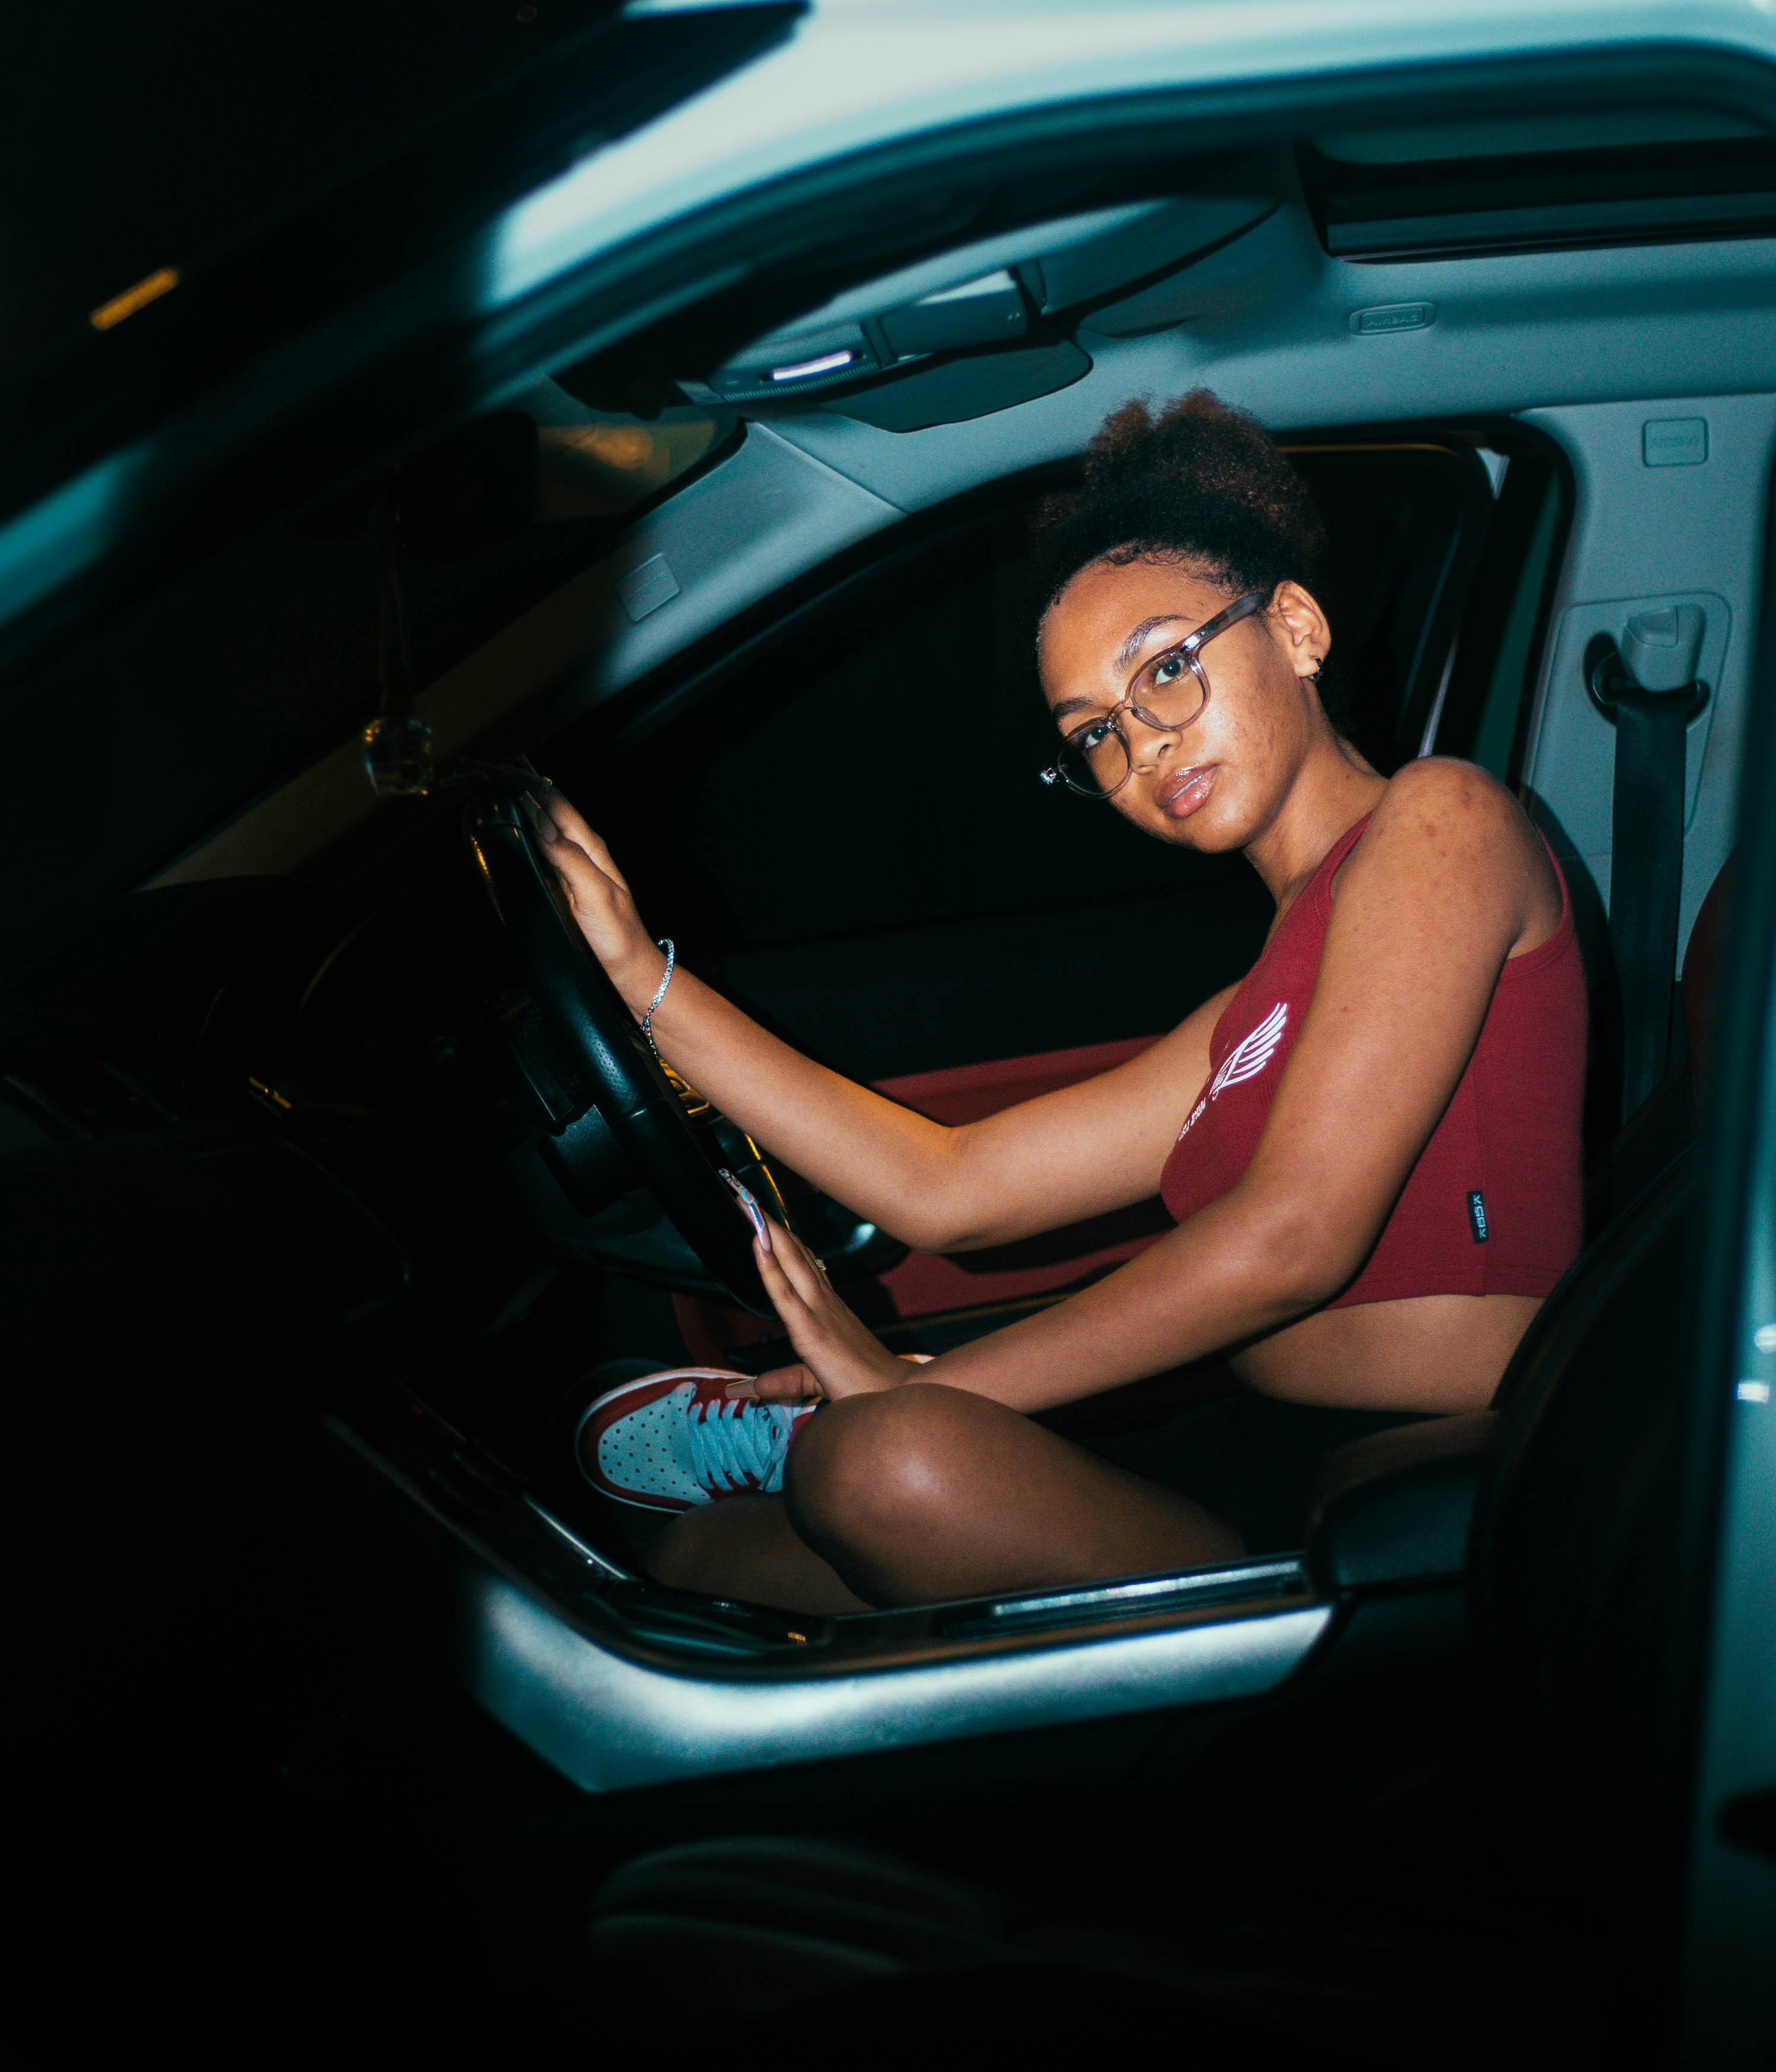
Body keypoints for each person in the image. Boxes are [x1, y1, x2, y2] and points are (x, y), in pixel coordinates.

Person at [537, 391, 1586, 1615]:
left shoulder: (1443, 816)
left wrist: (934, 1389)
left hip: (1439, 1472)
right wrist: (639, 982)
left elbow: (1296, 1235)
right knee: (700, 1569)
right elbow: (954, 1187)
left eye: (1168, 667)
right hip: (1261, 1447)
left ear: (1297, 627)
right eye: (1093, 731)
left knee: (887, 1456)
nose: (1140, 742)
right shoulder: (1249, 1011)